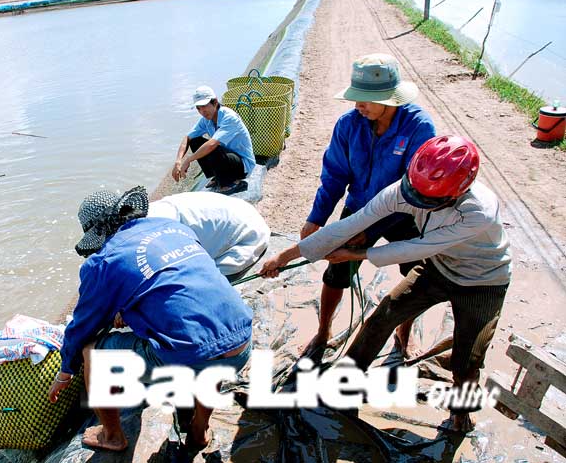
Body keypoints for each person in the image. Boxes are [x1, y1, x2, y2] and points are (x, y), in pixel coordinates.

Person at [261, 135, 511, 432]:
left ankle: (461, 412)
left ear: (456, 193)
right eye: (413, 192)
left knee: (467, 358)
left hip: (482, 282)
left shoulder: (477, 212)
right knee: (383, 316)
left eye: (427, 200)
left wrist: (358, 254)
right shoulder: (409, 188)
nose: (415, 201)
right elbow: (352, 224)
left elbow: (417, 248)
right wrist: (285, 256)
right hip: (441, 266)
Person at [48, 186, 252, 452]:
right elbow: (170, 289)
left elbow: (83, 326)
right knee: (208, 344)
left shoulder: (103, 262)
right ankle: (199, 431)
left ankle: (111, 436)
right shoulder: (174, 228)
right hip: (241, 341)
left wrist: (66, 370)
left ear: (94, 230)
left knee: (91, 352)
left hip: (191, 354)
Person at [300, 53, 436, 358]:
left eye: (365, 100)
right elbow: (335, 174)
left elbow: (414, 188)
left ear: (389, 98)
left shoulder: (418, 127)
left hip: (404, 212)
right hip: (359, 210)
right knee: (336, 270)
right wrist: (316, 218)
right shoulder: (349, 124)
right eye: (356, 98)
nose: (358, 105)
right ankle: (323, 330)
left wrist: (374, 227)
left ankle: (404, 332)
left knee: (417, 273)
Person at [148, 191, 270, 276]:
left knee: (197, 280)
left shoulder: (164, 231)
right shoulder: (156, 208)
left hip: (247, 240)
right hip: (242, 213)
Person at [172, 86, 256, 195]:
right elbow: (187, 137)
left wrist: (189, 160)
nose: (202, 111)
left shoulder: (229, 118)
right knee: (194, 141)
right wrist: (178, 161)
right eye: (198, 108)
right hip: (226, 157)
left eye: (204, 106)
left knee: (211, 147)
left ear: (215, 102)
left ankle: (229, 183)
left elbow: (212, 144)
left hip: (242, 165)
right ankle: (218, 176)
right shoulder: (206, 120)